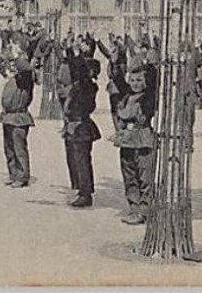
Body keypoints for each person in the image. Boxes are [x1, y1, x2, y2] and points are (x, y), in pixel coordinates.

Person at [113, 35, 158, 224]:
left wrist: (149, 62)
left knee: (144, 175)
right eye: (132, 80)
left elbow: (154, 80)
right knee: (129, 174)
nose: (135, 83)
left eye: (139, 80)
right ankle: (133, 207)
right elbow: (117, 79)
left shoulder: (147, 98)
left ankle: (145, 210)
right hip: (127, 139)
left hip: (143, 137)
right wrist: (117, 60)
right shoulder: (126, 97)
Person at [62, 34, 103, 207]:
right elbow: (75, 69)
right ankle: (83, 189)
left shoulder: (87, 85)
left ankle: (85, 193)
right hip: (75, 125)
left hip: (81, 126)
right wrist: (71, 51)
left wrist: (77, 54)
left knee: (82, 160)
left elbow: (80, 70)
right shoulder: (82, 84)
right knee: (78, 159)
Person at [0, 29, 39, 187]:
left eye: (13, 44)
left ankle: (22, 176)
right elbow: (1, 60)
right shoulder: (17, 66)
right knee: (8, 147)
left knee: (18, 146)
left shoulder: (25, 69)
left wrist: (18, 54)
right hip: (8, 115)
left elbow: (26, 68)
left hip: (19, 115)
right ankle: (13, 173)